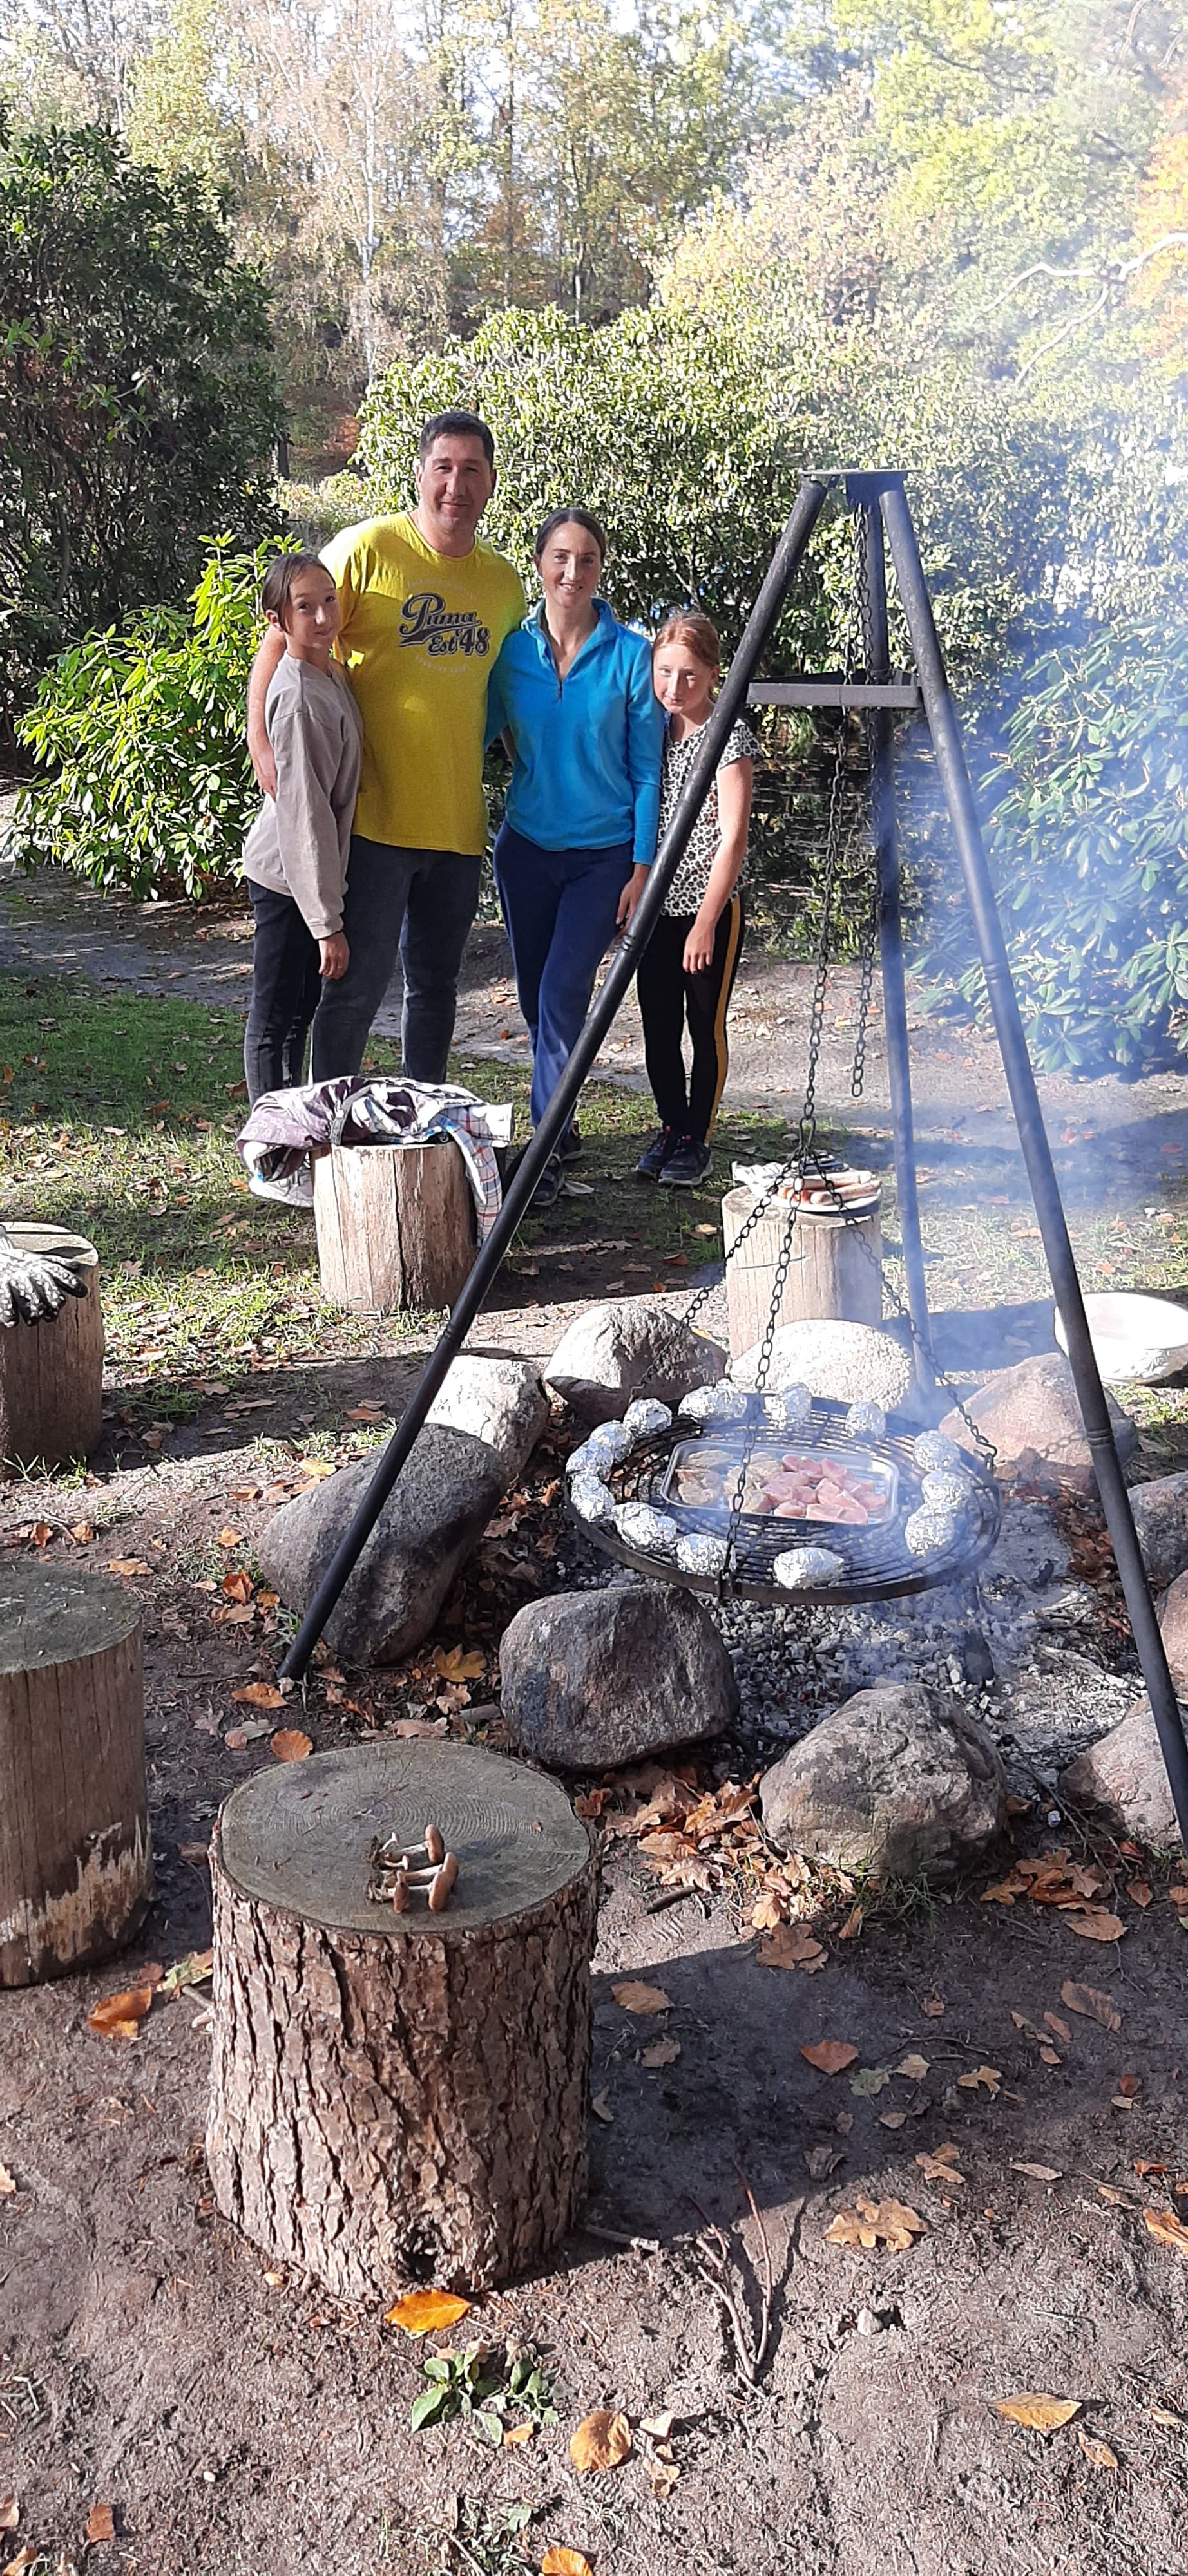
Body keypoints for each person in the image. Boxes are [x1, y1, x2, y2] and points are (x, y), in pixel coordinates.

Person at [246, 412, 525, 1083]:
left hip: (456, 827)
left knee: (436, 991)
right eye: (443, 467)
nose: (455, 484)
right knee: (352, 992)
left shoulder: (504, 584)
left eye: (471, 470)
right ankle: (327, 1133)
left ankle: (419, 1120)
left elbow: (513, 697)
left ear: (490, 484)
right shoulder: (366, 548)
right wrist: (261, 741)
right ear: (420, 474)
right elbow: (281, 635)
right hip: (371, 821)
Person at [484, 507, 664, 1206]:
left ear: (599, 569)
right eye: (560, 557)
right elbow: (478, 739)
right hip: (525, 851)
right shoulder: (511, 655)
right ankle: (561, 1116)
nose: (572, 571)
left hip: (603, 858)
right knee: (538, 1002)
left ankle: (545, 1149)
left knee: (562, 993)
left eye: (586, 559)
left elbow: (647, 770)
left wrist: (641, 869)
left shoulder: (630, 656)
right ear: (539, 564)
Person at [240, 555, 363, 1198]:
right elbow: (305, 817)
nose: (322, 617)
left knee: (296, 1019)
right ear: (277, 619)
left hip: (307, 873)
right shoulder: (294, 699)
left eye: (329, 601)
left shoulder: (329, 673)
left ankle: (291, 1145)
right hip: (286, 877)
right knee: (274, 1019)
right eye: (305, 607)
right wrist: (327, 924)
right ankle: (270, 1158)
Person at [634, 611, 757, 1188]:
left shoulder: (727, 737)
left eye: (689, 675)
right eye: (665, 673)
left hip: (704, 906)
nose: (675, 688)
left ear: (712, 674)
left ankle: (698, 1137)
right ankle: (670, 1126)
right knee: (657, 1024)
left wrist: (707, 921)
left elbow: (732, 836)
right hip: (655, 906)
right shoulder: (650, 730)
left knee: (702, 1024)